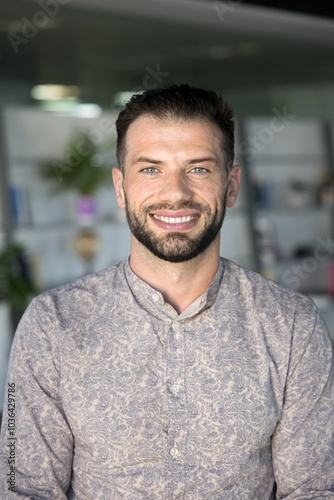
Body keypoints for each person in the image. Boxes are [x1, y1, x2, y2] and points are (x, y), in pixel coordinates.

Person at [0, 84, 333, 499]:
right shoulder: (51, 324)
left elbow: (315, 490)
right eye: (151, 169)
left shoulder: (293, 326)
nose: (175, 193)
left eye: (198, 168)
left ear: (231, 185)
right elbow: (23, 487)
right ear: (121, 188)